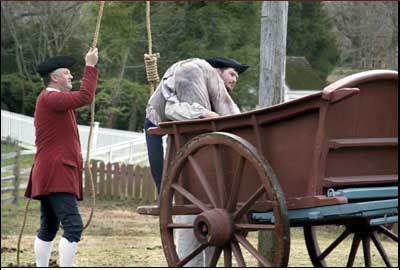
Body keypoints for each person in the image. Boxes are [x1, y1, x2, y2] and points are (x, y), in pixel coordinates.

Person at [144, 57, 248, 266]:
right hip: (158, 126)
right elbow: (173, 110)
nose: (235, 79)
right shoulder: (192, 73)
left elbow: (228, 114)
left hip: (201, 171)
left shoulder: (212, 89)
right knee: (179, 207)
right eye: (232, 74)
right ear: (217, 72)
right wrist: (203, 113)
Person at [24, 47, 99, 267]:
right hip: (56, 171)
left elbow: (82, 97)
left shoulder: (53, 100)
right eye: (66, 73)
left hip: (50, 171)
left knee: (49, 227)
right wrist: (90, 66)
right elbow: (86, 96)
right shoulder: (51, 98)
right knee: (73, 226)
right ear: (55, 78)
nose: (71, 76)